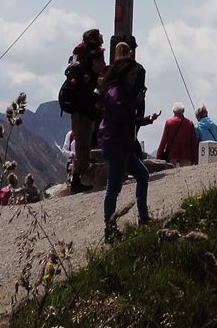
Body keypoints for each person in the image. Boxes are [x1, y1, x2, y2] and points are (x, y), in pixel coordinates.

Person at [98, 41, 158, 240]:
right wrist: (136, 103)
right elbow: (119, 114)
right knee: (113, 188)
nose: (134, 78)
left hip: (122, 144)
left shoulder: (121, 91)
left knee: (142, 173)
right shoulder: (116, 92)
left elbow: (126, 117)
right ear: (124, 74)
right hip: (115, 145)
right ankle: (109, 228)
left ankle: (143, 216)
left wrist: (146, 119)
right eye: (132, 75)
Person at [60, 29, 108, 187]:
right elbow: (87, 98)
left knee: (84, 145)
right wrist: (99, 90)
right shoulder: (87, 77)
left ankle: (78, 178)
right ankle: (77, 180)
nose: (103, 64)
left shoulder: (82, 70)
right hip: (83, 114)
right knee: (82, 146)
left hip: (80, 113)